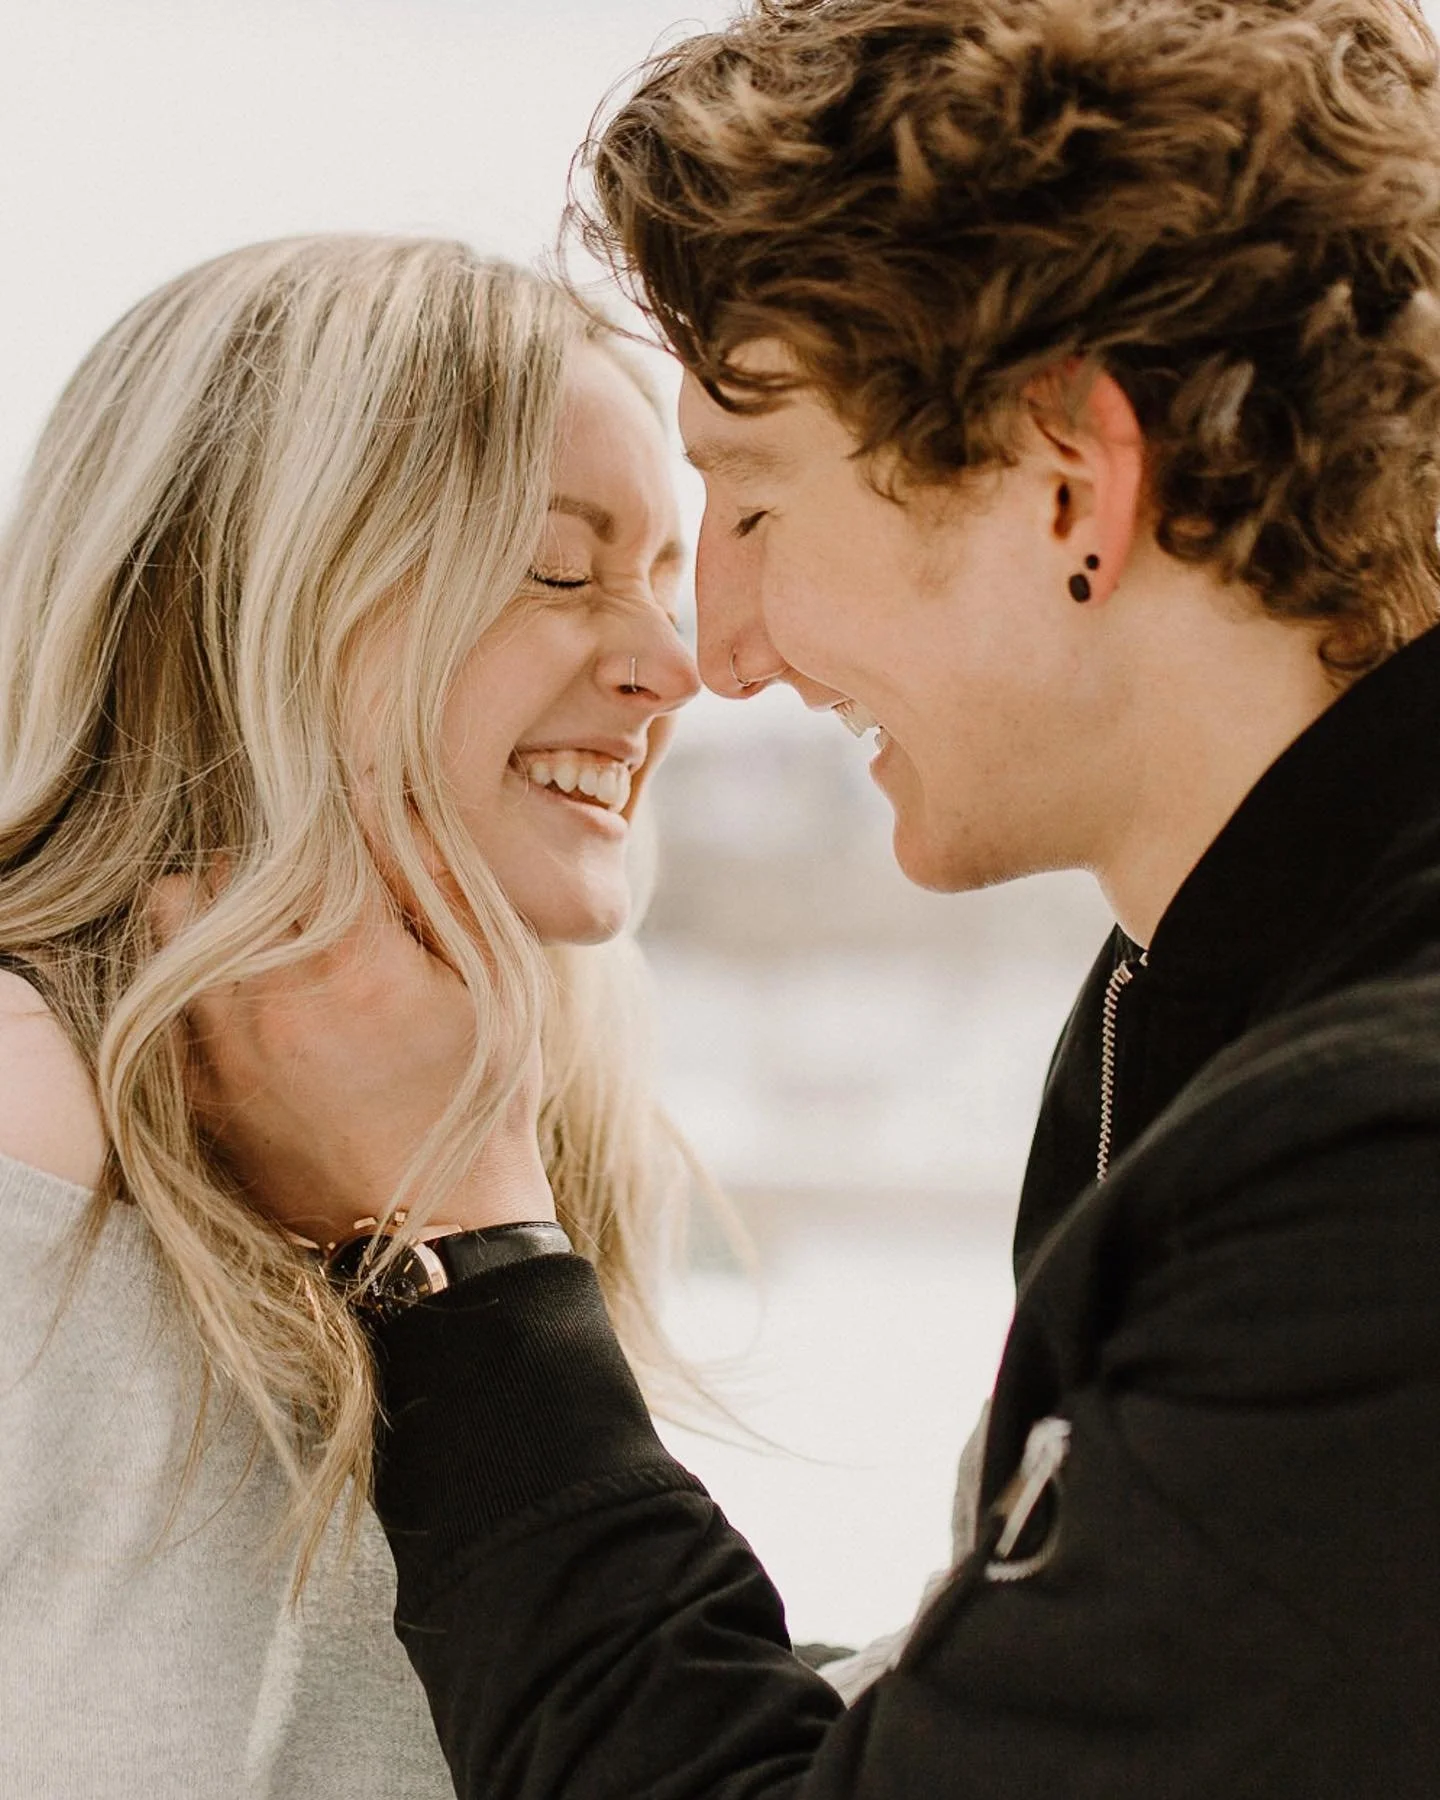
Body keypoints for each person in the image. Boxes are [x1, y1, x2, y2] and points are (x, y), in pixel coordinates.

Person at [170, 0, 1440, 1794]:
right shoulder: (1202, 1016)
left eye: (754, 506)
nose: (724, 653)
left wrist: (458, 1250)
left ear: (1072, 484)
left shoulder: (1377, 1172)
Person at [0, 232, 699, 1795]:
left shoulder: (529, 1115)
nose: (674, 665)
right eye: (559, 568)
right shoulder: (33, 1108)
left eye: (666, 581)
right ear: (258, 595)